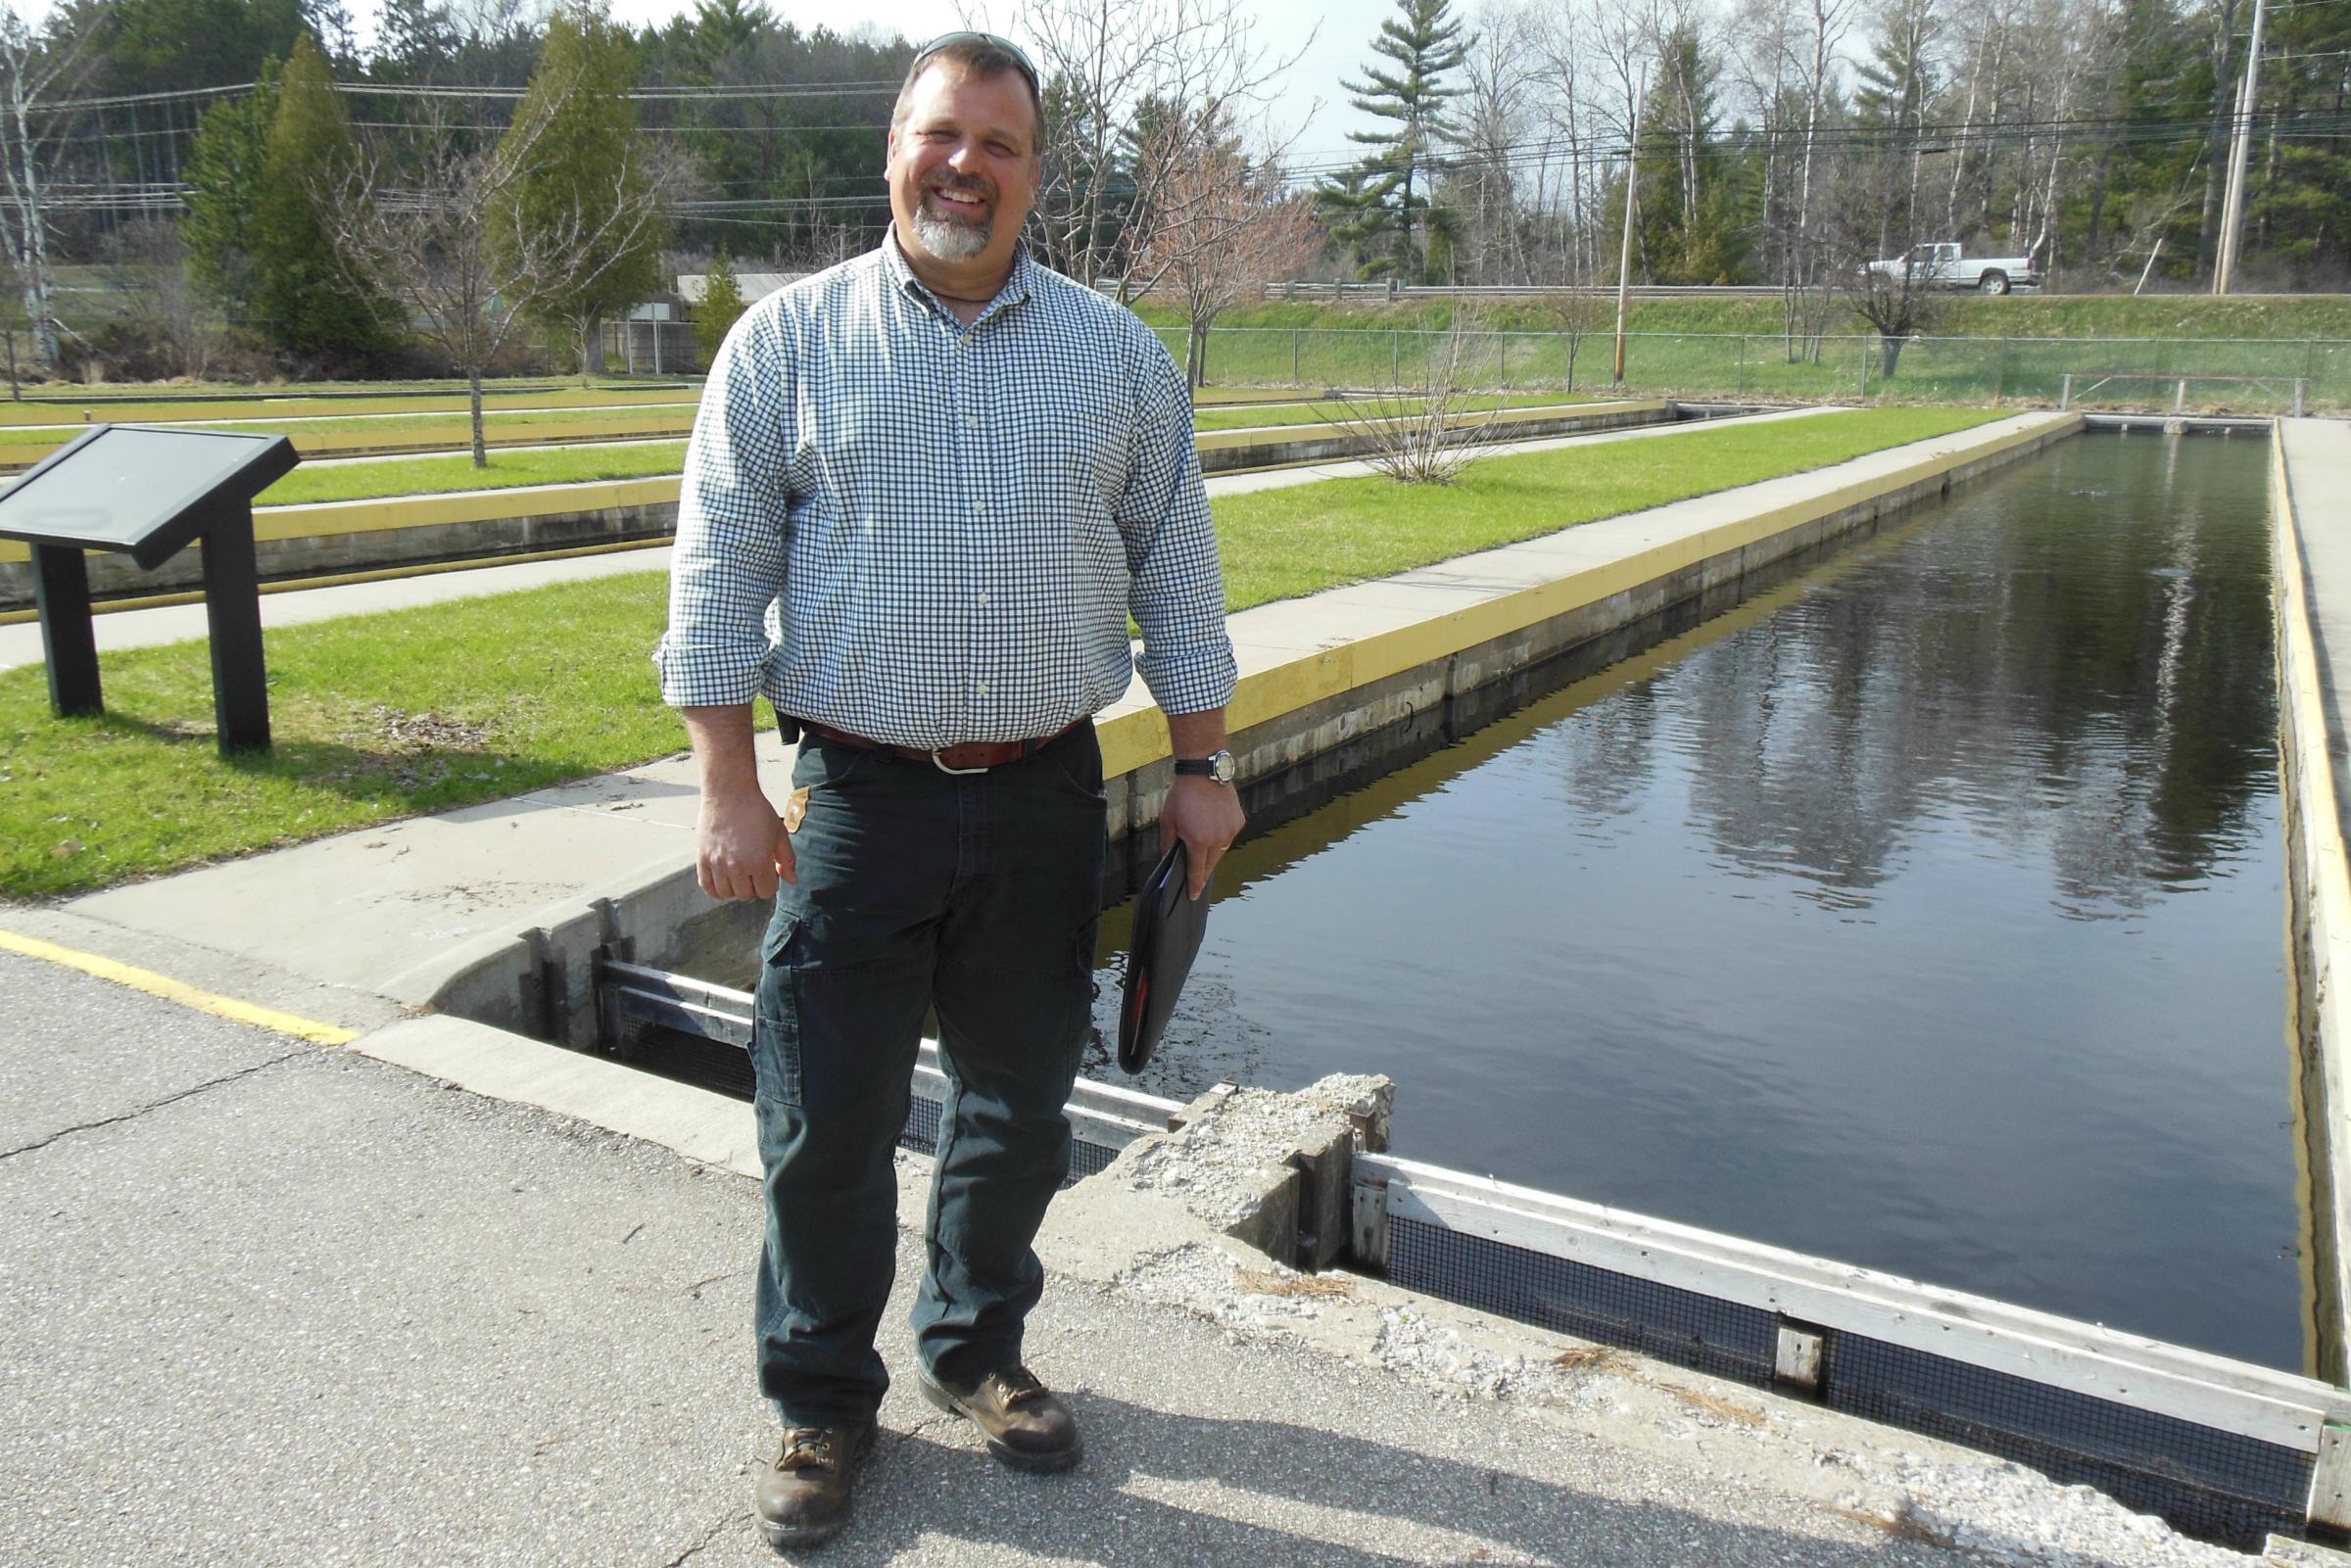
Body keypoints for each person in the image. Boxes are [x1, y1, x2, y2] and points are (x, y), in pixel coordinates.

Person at [653, 30, 1246, 1553]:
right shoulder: (786, 345)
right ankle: (820, 1397)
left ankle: (975, 1346)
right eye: (940, 135)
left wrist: (1202, 766)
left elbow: (1179, 570)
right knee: (823, 1119)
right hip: (860, 798)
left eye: (998, 142)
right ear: (893, 152)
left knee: (1020, 1108)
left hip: (1050, 795)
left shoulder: (1115, 354)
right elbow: (718, 573)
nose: (963, 165)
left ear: (1038, 176)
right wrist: (729, 786)